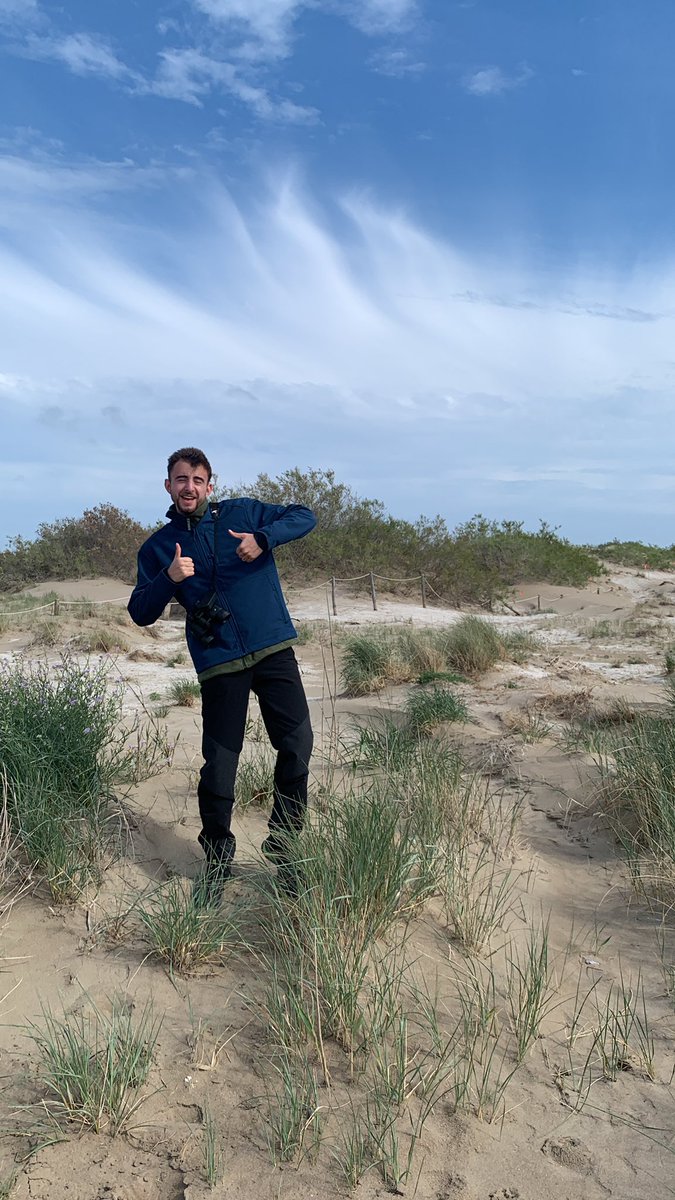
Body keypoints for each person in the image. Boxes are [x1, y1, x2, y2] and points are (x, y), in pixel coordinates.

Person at [128, 447, 317, 900]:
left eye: (197, 479)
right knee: (220, 767)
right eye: (180, 479)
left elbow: (304, 515)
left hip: (272, 648)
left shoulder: (244, 513)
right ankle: (217, 861)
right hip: (220, 662)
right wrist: (169, 577)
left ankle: (286, 848)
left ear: (210, 485)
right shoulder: (158, 546)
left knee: (297, 744)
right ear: (168, 486)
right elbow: (140, 612)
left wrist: (264, 538)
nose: (188, 487)